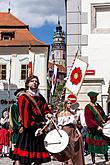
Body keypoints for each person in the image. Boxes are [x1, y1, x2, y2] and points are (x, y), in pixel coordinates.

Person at [13, 75, 53, 165]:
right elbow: (25, 114)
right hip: (28, 129)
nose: (34, 83)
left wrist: (48, 114)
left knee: (39, 159)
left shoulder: (40, 97)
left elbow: (45, 109)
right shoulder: (23, 97)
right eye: (32, 81)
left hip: (39, 129)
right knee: (24, 158)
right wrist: (32, 126)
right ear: (27, 83)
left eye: (36, 81)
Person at [84, 91, 110, 165]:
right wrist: (96, 126)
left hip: (101, 128)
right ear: (91, 98)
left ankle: (107, 159)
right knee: (92, 146)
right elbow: (88, 119)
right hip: (93, 130)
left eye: (95, 97)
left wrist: (107, 117)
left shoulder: (98, 106)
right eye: (93, 98)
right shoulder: (88, 107)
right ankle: (93, 161)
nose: (95, 99)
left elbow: (103, 115)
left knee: (104, 144)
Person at [57, 99, 85, 165]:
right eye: (68, 103)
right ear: (65, 104)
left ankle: (76, 162)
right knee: (67, 148)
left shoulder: (73, 113)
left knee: (75, 147)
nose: (69, 105)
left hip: (72, 131)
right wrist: (60, 133)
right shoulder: (61, 113)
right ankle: (68, 162)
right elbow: (60, 125)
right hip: (65, 130)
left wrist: (78, 132)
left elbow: (75, 125)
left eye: (70, 103)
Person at [9, 88, 25, 163]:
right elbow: (13, 120)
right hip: (18, 132)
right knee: (17, 155)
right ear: (17, 97)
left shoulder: (27, 105)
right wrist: (20, 126)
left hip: (27, 131)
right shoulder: (14, 106)